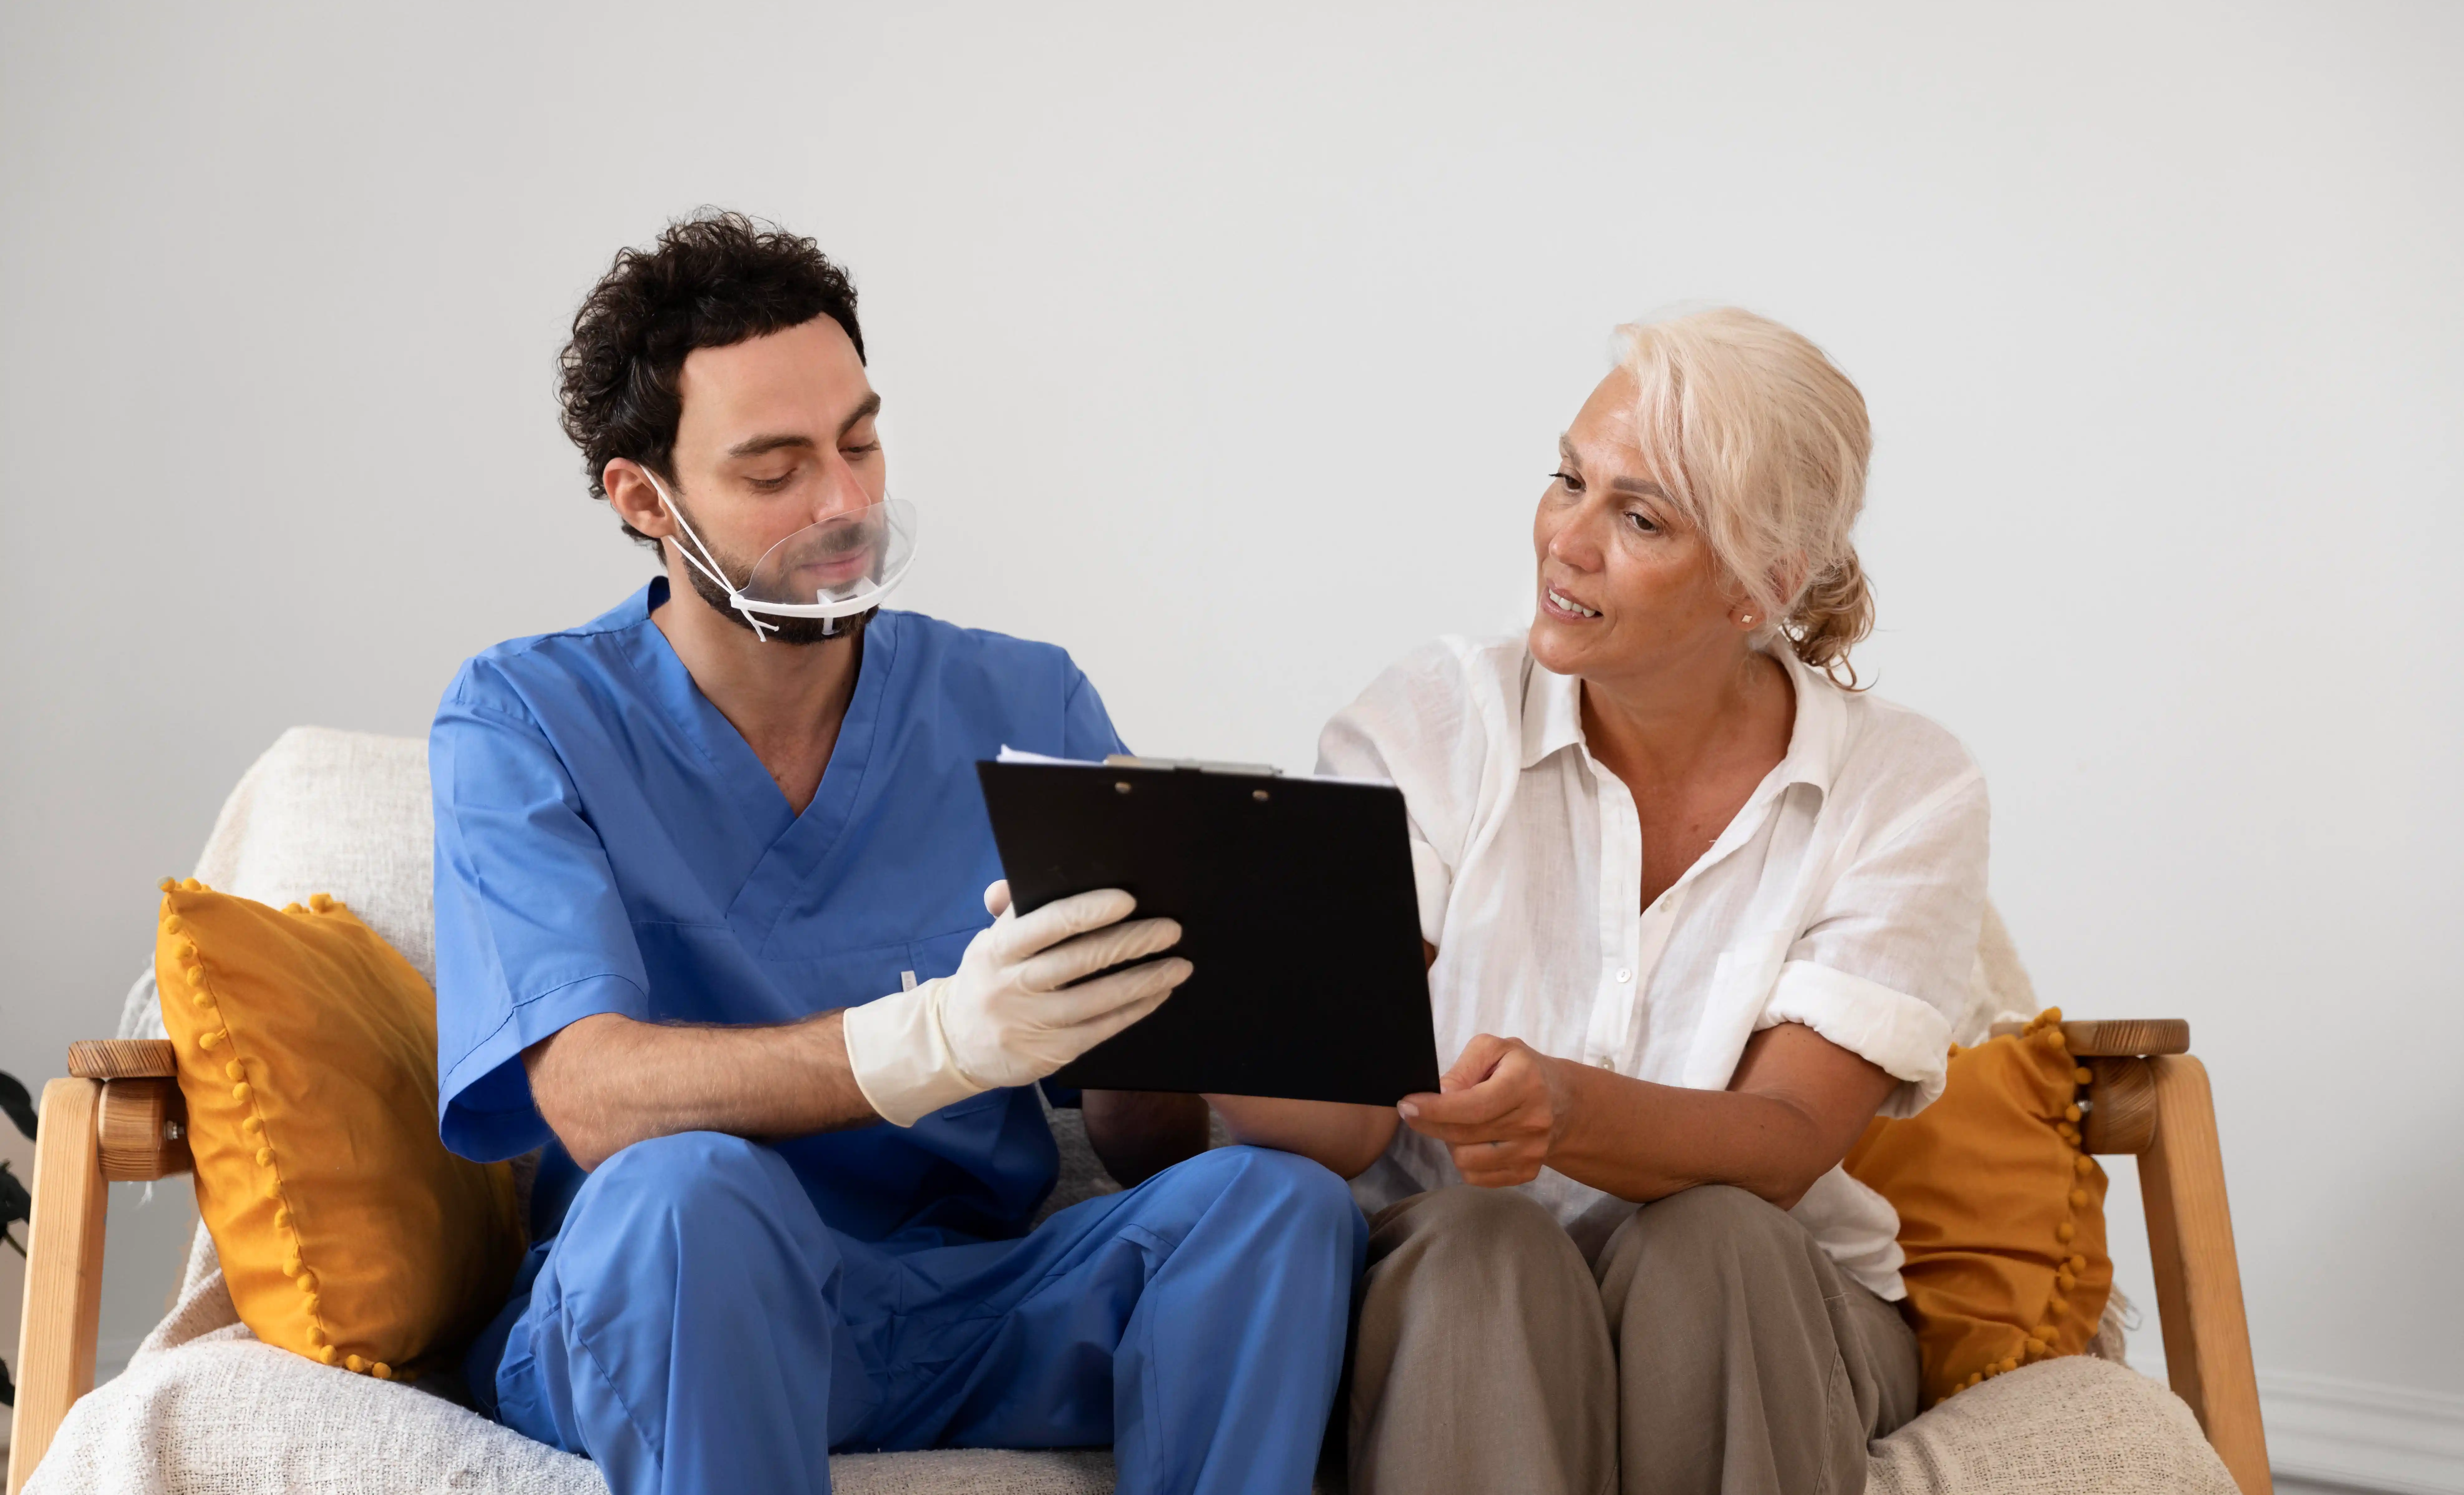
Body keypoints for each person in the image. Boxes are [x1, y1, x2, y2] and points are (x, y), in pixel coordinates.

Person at [431, 211, 1364, 1495]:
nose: (845, 505)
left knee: (1275, 1206)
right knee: (687, 1195)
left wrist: (1156, 1000)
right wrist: (941, 1040)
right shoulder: (525, 719)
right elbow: (592, 1096)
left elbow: (1144, 1144)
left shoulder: (1022, 699)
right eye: (775, 471)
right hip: (677, 1302)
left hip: (962, 1302)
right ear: (645, 499)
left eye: (859, 443)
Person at [1209, 308, 1987, 1495]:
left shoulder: (1906, 787)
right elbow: (1351, 1119)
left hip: (1770, 1304)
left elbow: (1784, 1141)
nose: (1565, 541)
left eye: (1640, 518)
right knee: (1482, 1239)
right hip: (1453, 1278)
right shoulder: (1435, 719)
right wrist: (1190, 1003)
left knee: (1714, 1237)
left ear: (1762, 585)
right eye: (1569, 480)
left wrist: (1567, 1109)